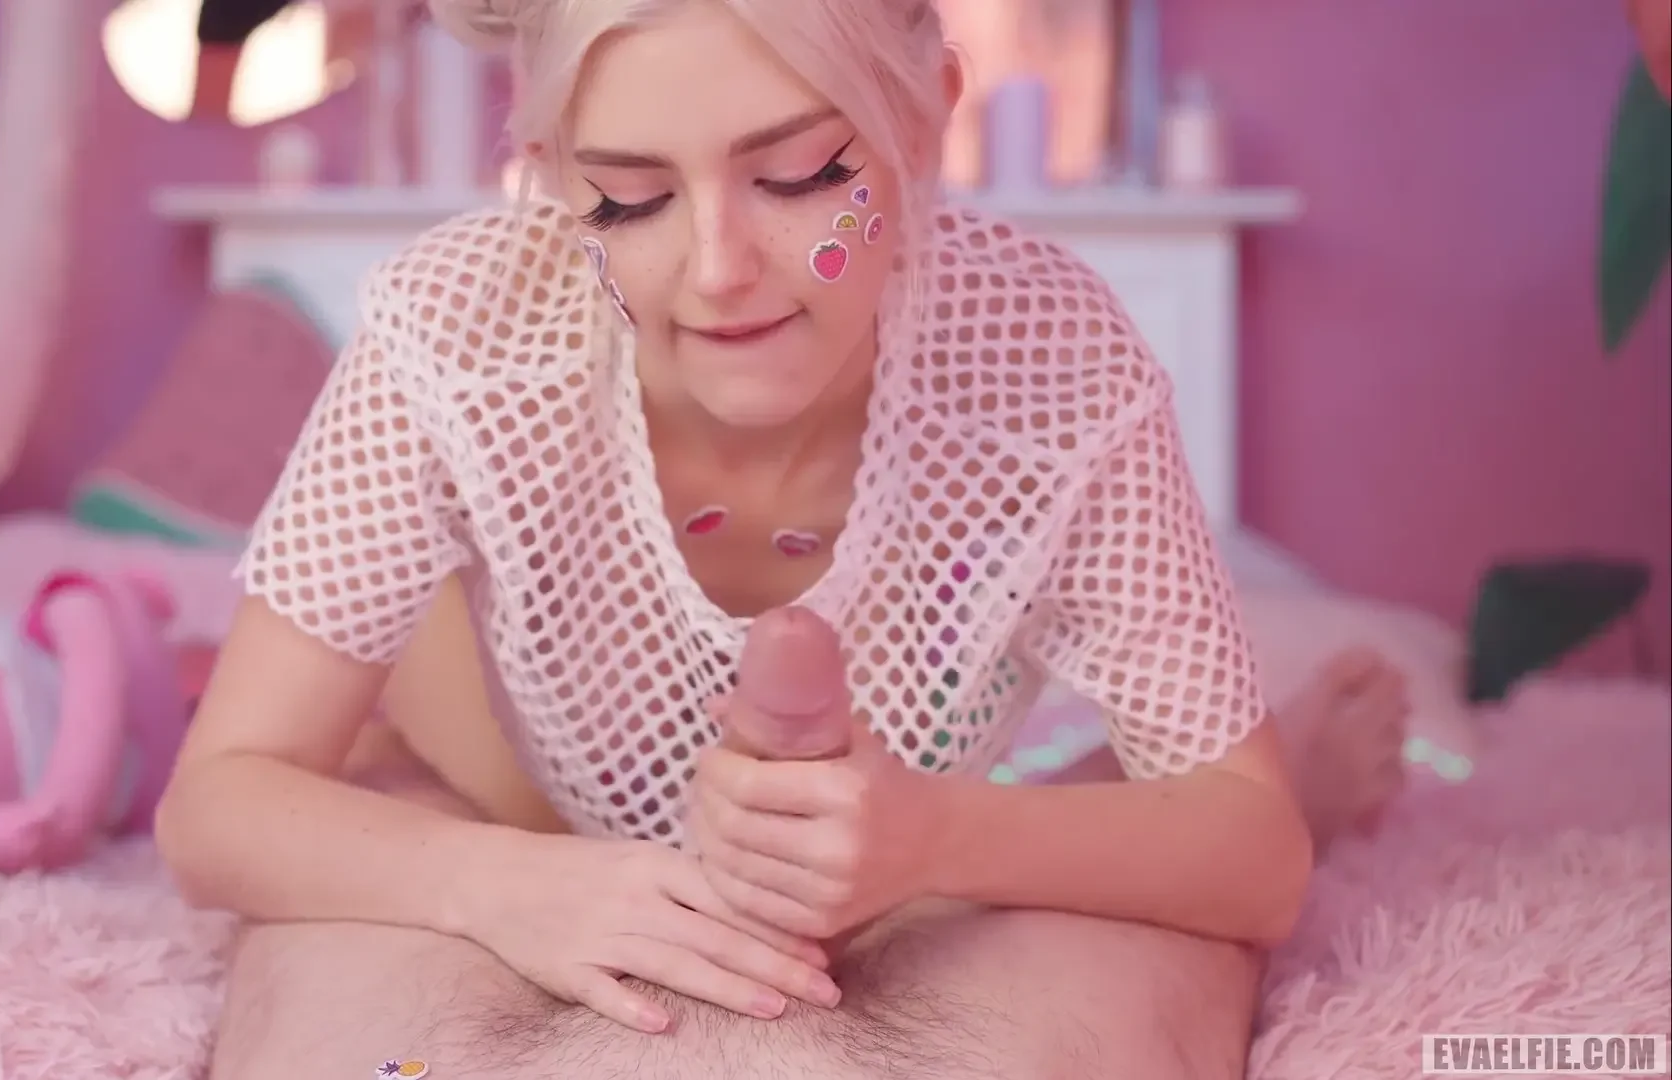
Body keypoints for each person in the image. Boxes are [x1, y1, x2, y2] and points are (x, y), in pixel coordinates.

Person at [154, 2, 1410, 1076]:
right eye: (631, 197)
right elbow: (216, 806)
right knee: (409, 777)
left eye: (801, 174)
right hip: (505, 748)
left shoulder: (1051, 363)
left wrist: (938, 836)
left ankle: (1286, 746)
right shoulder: (455, 330)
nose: (718, 271)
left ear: (926, 123)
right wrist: (496, 884)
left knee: (1113, 833)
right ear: (550, 175)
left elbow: (1255, 857)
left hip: (912, 796)